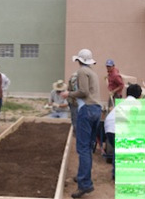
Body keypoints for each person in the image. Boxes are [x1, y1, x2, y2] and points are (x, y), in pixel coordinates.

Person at [61, 49, 101, 198]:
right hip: (96, 110)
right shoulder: (93, 73)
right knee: (88, 147)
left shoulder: (82, 72)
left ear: (79, 60)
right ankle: (82, 176)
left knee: (83, 148)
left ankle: (84, 184)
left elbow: (83, 91)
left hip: (87, 110)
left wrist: (68, 94)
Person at [104, 84, 142, 180]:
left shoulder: (123, 102)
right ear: (139, 95)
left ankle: (116, 173)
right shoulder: (136, 103)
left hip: (108, 127)